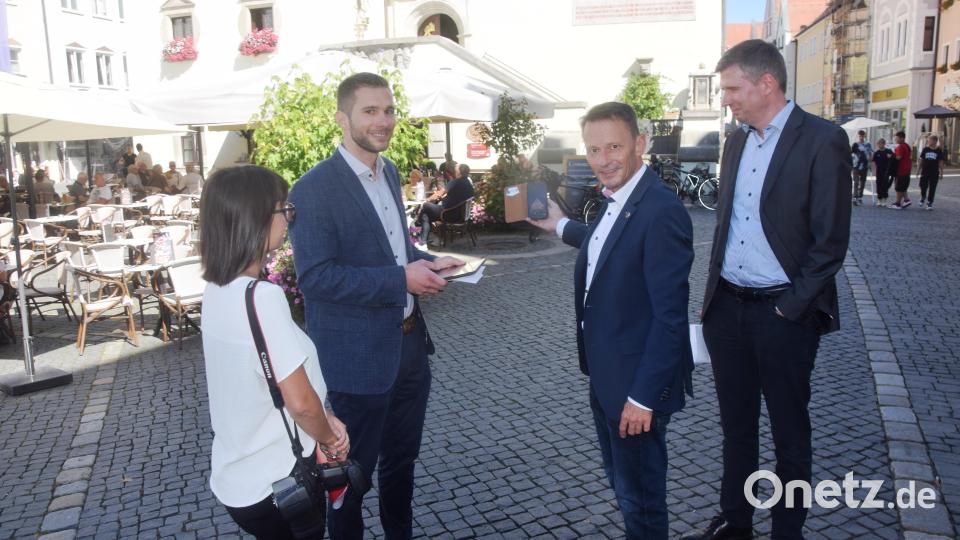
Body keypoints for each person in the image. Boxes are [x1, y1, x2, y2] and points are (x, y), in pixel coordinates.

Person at [683, 39, 851, 540]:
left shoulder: (822, 140)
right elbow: (731, 223)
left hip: (784, 315)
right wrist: (712, 304)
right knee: (736, 430)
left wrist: (789, 309)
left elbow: (830, 242)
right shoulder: (736, 140)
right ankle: (736, 524)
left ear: (767, 84)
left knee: (789, 435)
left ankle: (786, 531)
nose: (726, 99)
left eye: (732, 88)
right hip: (727, 309)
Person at [288, 72, 463, 540]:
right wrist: (400, 277)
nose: (383, 121)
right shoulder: (312, 189)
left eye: (388, 110)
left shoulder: (387, 172)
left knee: (402, 463)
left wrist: (431, 262)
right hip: (356, 360)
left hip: (408, 348)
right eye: (370, 111)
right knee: (349, 478)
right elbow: (315, 278)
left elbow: (395, 250)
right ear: (343, 118)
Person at [529, 101, 694, 539]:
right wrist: (559, 225)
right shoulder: (621, 198)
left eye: (615, 147)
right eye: (594, 150)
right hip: (607, 377)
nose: (604, 160)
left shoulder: (660, 210)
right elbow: (606, 246)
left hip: (633, 387)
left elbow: (670, 320)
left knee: (640, 498)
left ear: (640, 143)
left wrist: (643, 398)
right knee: (625, 487)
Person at [200, 165, 350, 539]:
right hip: (279, 481)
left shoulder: (216, 290)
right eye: (284, 210)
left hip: (239, 476)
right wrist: (330, 439)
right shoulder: (261, 298)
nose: (288, 219)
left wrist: (323, 417)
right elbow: (299, 403)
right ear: (258, 218)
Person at [415, 163, 476, 246]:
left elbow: (439, 193)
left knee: (426, 206)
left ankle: (420, 231)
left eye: (455, 169)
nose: (454, 170)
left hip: (448, 214)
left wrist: (427, 200)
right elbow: (455, 196)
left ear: (458, 172)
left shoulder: (455, 182)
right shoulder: (468, 183)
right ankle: (423, 240)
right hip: (460, 215)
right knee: (426, 214)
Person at [917, 134, 944, 210]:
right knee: (923, 186)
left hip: (934, 172)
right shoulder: (925, 149)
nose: (928, 141)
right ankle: (923, 197)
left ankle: (929, 202)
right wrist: (918, 170)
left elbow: (941, 162)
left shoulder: (938, 150)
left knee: (932, 188)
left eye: (930, 140)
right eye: (928, 140)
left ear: (935, 141)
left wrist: (942, 173)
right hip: (925, 171)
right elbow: (921, 160)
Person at [888, 131, 913, 209]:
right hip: (907, 169)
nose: (895, 139)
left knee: (899, 188)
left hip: (901, 170)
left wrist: (891, 156)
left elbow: (898, 157)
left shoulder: (900, 147)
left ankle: (898, 203)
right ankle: (906, 200)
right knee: (903, 187)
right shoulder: (907, 146)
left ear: (902, 138)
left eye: (897, 138)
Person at [852, 130, 872, 205]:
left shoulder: (868, 144)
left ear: (864, 136)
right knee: (856, 182)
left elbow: (870, 153)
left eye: (862, 136)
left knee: (863, 182)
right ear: (858, 136)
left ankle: (860, 196)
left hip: (864, 165)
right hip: (856, 165)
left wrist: (870, 162)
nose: (861, 137)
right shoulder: (855, 144)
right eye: (860, 136)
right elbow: (851, 153)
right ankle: (855, 197)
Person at [872, 138, 894, 206]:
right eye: (878, 143)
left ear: (884, 144)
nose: (879, 145)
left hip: (886, 171)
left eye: (880, 143)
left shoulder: (888, 151)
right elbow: (873, 162)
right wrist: (874, 171)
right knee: (878, 185)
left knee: (885, 185)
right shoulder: (876, 153)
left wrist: (890, 157)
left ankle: (885, 199)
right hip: (879, 171)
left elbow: (893, 159)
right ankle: (879, 199)